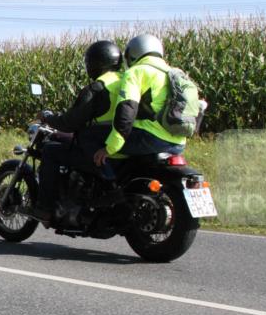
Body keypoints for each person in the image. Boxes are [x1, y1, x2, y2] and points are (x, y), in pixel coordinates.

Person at [31, 40, 123, 223]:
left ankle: (45, 208)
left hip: (97, 146)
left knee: (51, 151)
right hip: (124, 144)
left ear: (95, 63)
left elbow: (70, 121)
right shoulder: (128, 81)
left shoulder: (98, 88)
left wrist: (48, 118)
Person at [93, 34, 187, 168]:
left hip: (150, 139)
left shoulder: (136, 72)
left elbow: (126, 111)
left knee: (90, 135)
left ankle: (108, 182)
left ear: (133, 53)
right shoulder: (173, 73)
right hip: (179, 143)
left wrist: (110, 148)